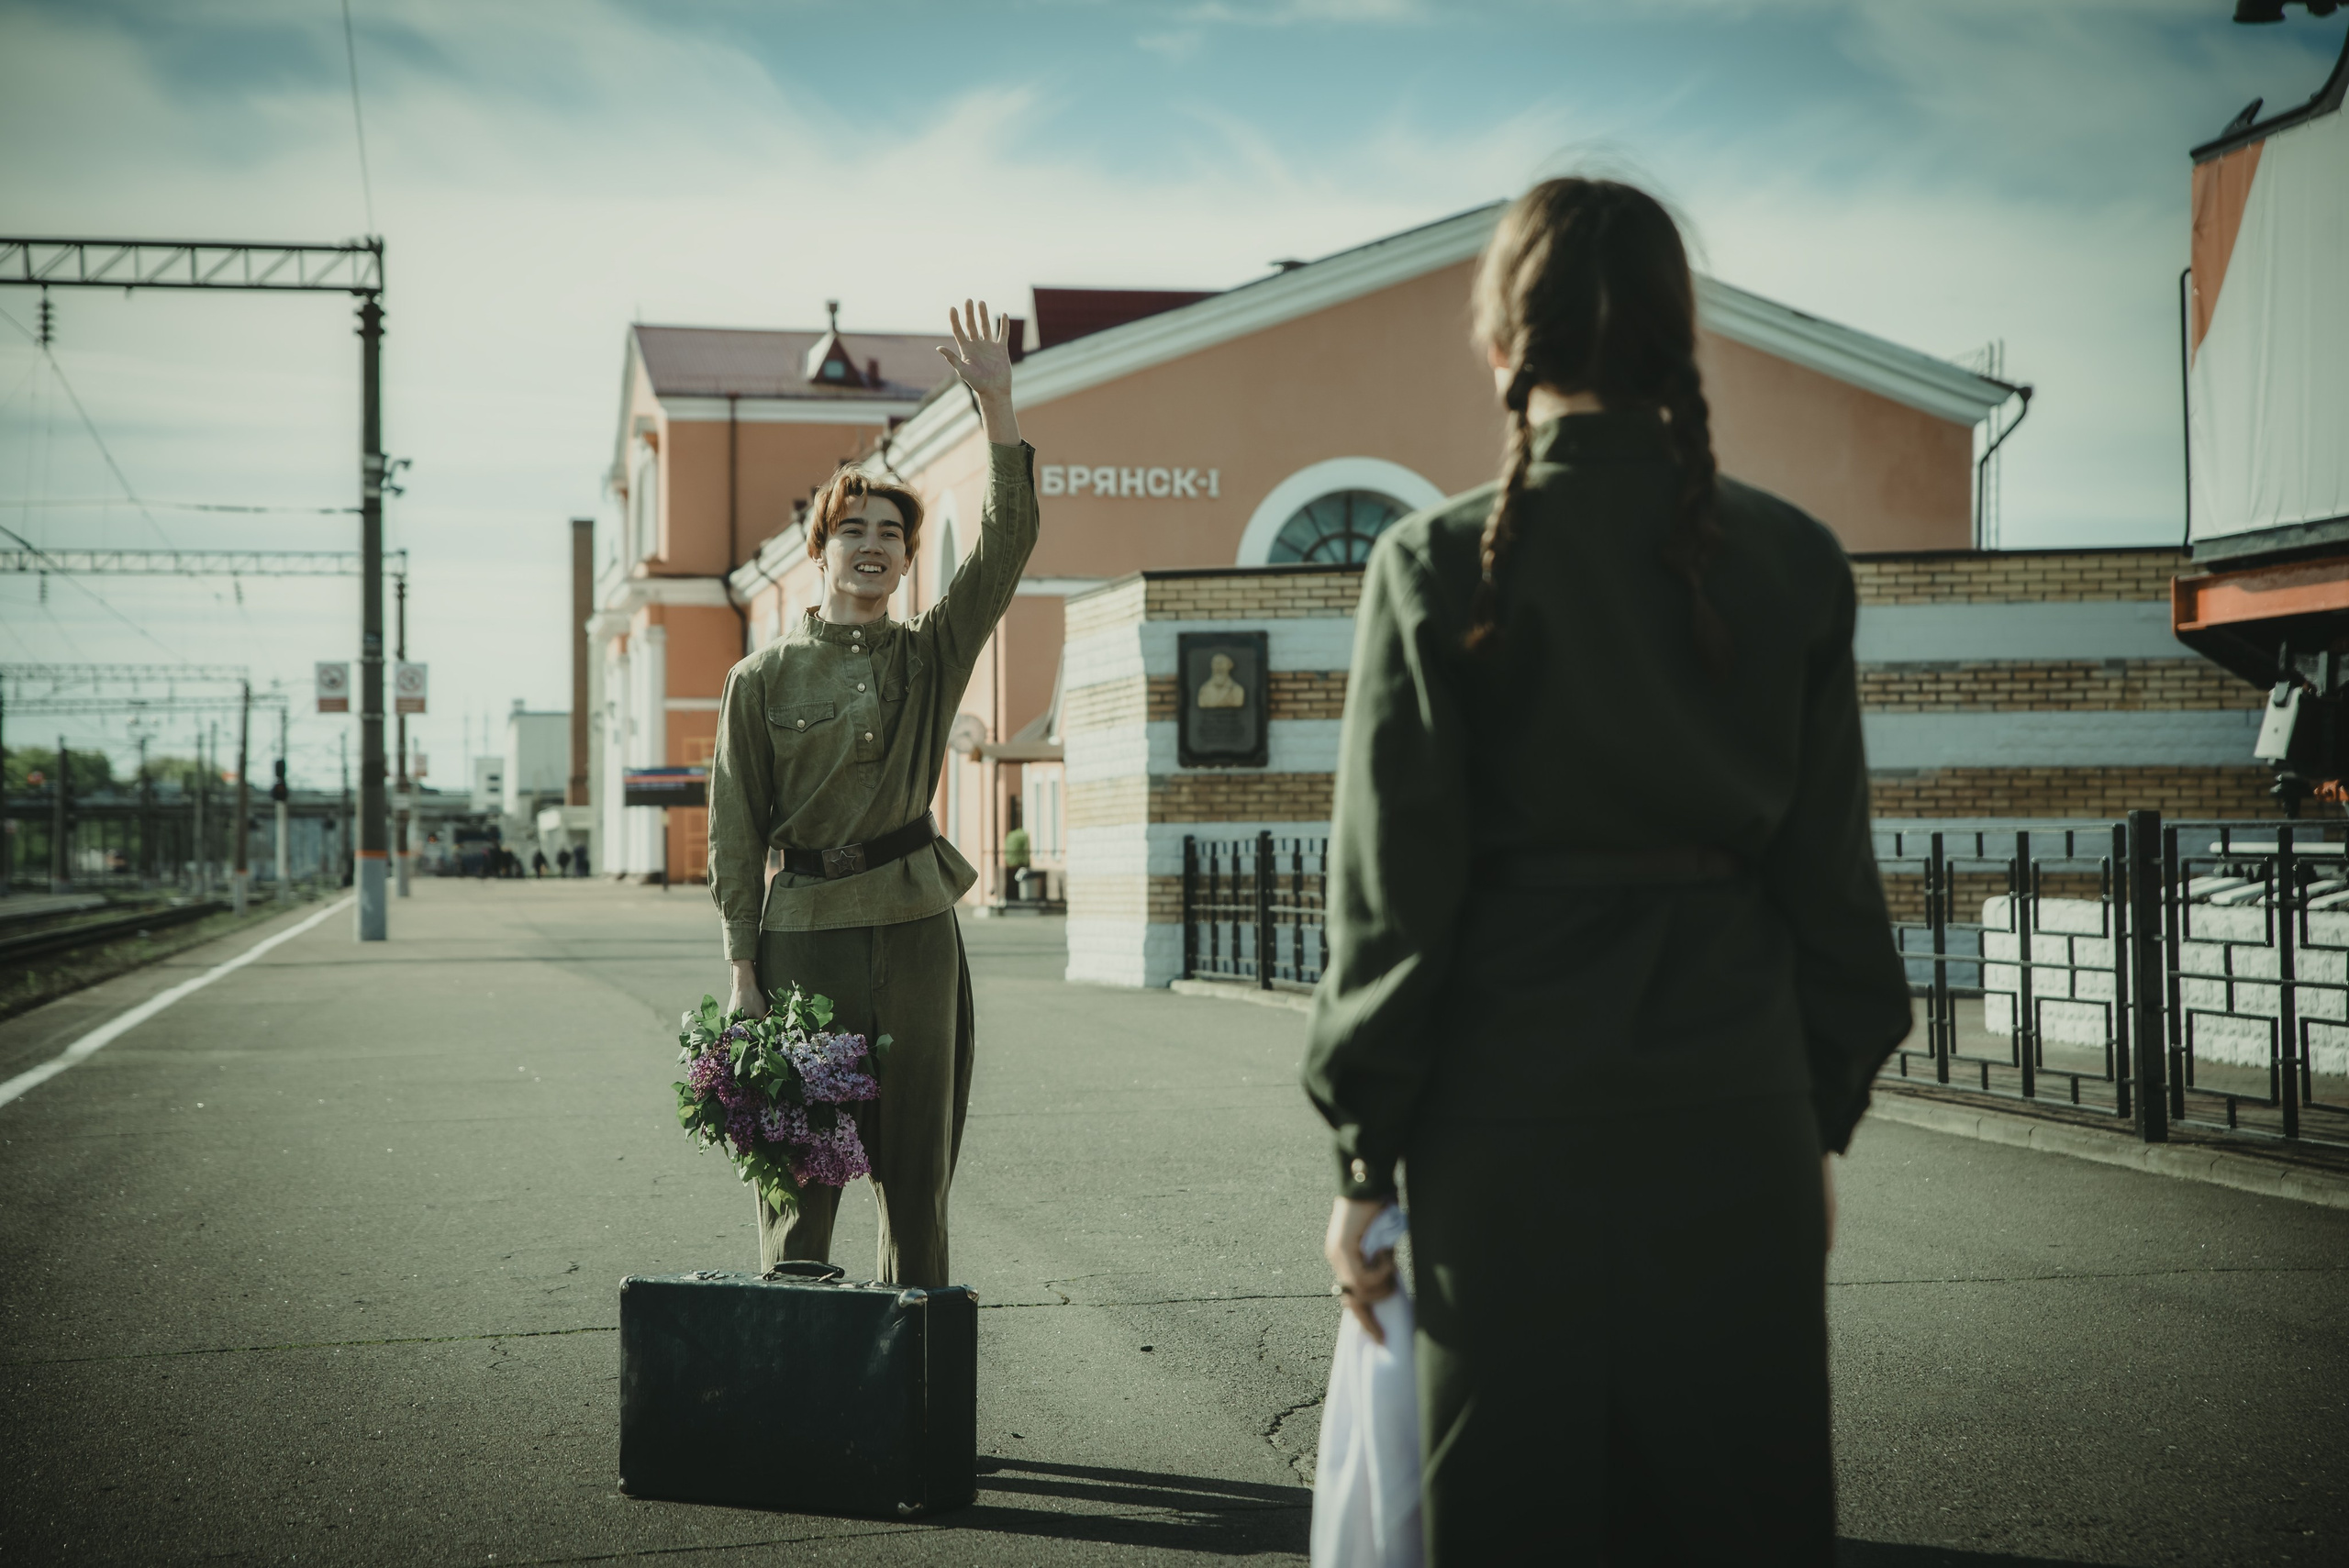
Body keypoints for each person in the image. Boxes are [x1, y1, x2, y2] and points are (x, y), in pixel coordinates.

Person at [1303, 179, 1912, 1564]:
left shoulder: (1428, 562)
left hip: (1501, 1130)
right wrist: (1816, 1117)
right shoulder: (1796, 559)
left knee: (1509, 1509)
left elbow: (1393, 905)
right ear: (1675, 333)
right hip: (1739, 1115)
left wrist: (1362, 1156)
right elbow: (1835, 893)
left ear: (1502, 339)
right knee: (1734, 1512)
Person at [707, 299, 1035, 1288]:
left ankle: (916, 1397)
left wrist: (998, 407)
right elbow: (734, 834)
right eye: (851, 528)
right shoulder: (760, 680)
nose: (873, 543)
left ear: (904, 555)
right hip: (804, 936)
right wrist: (742, 968)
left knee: (915, 1168)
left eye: (891, 530)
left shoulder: (928, 654)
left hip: (914, 926)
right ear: (819, 549)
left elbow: (1005, 544)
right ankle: (800, 1393)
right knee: (803, 1170)